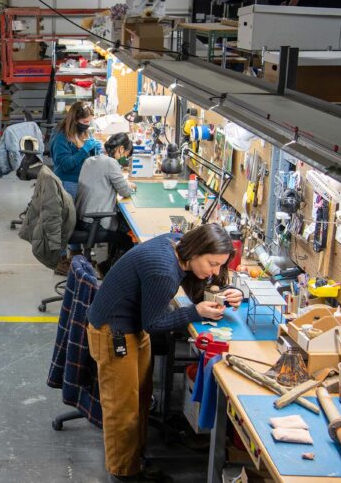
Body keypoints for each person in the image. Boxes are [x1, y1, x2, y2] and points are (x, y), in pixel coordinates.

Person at [86, 224, 243, 482]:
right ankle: (123, 473)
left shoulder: (178, 245)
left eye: (219, 266)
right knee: (123, 409)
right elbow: (155, 324)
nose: (215, 271)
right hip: (113, 332)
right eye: (212, 264)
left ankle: (134, 459)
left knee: (141, 399)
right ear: (196, 252)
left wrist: (227, 293)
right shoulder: (163, 271)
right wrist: (196, 312)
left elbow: (194, 284)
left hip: (132, 326)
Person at [50, 102, 103, 274]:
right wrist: (84, 150)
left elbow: (84, 160)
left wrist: (94, 151)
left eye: (89, 122)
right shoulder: (61, 136)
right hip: (67, 183)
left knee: (75, 221)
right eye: (85, 122)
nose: (87, 126)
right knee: (66, 223)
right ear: (76, 120)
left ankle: (75, 253)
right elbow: (65, 165)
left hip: (79, 182)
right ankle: (60, 260)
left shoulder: (80, 133)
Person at [75, 133, 137, 272]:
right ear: (121, 149)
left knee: (123, 226)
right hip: (94, 223)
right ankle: (111, 272)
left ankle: (107, 265)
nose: (125, 159)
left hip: (81, 219)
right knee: (128, 237)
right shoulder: (111, 163)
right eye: (126, 154)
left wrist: (123, 182)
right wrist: (129, 185)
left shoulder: (90, 160)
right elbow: (125, 192)